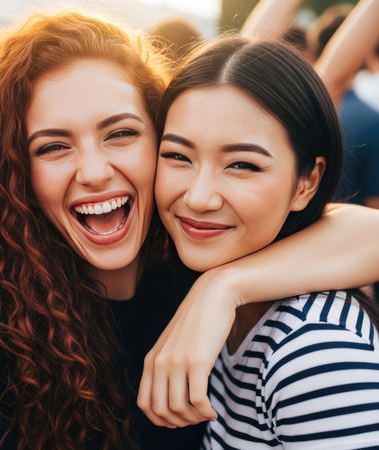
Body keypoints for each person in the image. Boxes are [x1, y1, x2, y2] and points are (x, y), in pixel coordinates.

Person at [0, 8, 379, 450]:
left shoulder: (199, 258)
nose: (93, 171)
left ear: (158, 137)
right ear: (14, 170)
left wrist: (221, 288)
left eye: (121, 133)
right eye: (52, 146)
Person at [140, 36, 379, 448]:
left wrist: (222, 286)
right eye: (178, 156)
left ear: (308, 182)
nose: (199, 196)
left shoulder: (315, 352)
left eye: (242, 165)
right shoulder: (231, 312)